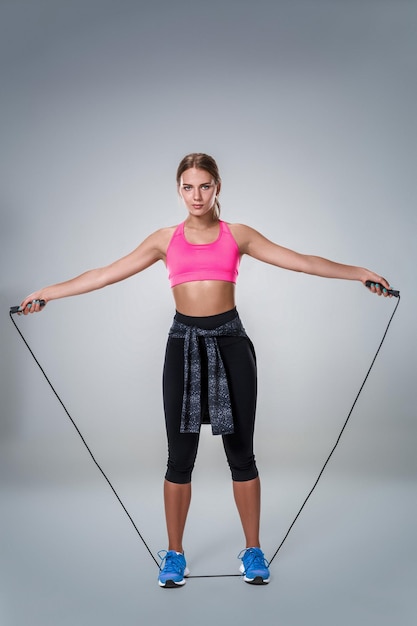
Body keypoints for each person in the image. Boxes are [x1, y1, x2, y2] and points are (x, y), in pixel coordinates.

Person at [19, 153, 392, 588]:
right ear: (179, 190)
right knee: (180, 456)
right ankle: (174, 555)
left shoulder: (240, 235)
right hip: (183, 346)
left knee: (241, 452)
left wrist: (358, 273)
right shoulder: (164, 240)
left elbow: (302, 260)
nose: (196, 196)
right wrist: (49, 292)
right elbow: (104, 274)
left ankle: (253, 551)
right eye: (188, 187)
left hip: (231, 343)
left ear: (218, 187)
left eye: (205, 186)